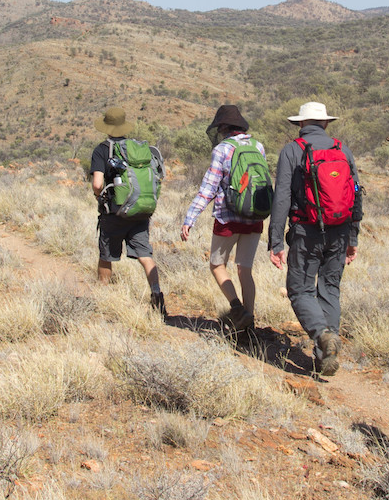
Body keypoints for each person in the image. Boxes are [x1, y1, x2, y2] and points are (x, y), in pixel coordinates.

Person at [268, 101, 361, 376]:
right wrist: (353, 236)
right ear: (326, 123)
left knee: (300, 290)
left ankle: (321, 334)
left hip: (306, 232)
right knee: (330, 289)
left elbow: (282, 198)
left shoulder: (292, 150)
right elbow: (356, 193)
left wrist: (275, 242)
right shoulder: (341, 149)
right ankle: (324, 357)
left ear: (300, 124)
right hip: (340, 231)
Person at [181, 105, 267, 331]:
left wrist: (190, 218)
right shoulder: (258, 146)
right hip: (255, 217)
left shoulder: (222, 149)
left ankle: (237, 309)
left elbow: (208, 188)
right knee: (244, 269)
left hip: (228, 219)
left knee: (217, 265)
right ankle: (249, 322)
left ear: (223, 127)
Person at [90, 107, 167, 318]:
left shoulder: (101, 150)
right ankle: (156, 293)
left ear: (106, 127)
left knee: (106, 255)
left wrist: (99, 196)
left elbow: (97, 184)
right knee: (145, 254)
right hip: (140, 211)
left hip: (114, 212)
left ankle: (103, 298)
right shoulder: (137, 149)